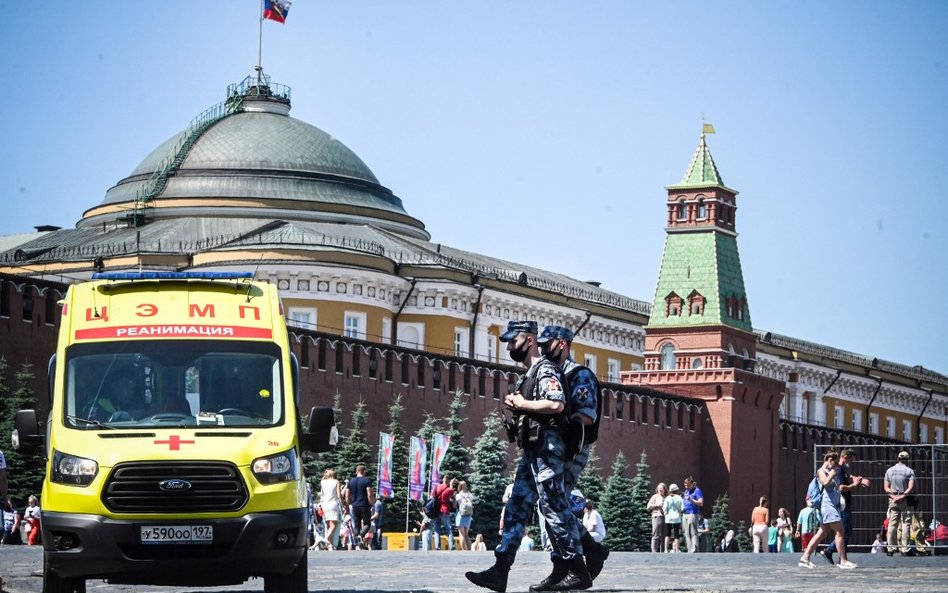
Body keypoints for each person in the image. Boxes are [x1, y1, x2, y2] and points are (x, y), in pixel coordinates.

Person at [466, 320, 590, 593]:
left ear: (530, 340)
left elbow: (556, 404)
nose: (510, 346)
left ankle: (578, 568)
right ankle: (500, 570)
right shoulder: (530, 373)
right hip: (534, 450)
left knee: (553, 507)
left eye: (514, 340)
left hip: (547, 450)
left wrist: (522, 404)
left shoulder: (545, 369)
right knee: (516, 506)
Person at [536, 324, 609, 584]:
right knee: (552, 505)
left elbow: (586, 416)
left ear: (562, 344)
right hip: (552, 449)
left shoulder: (579, 374)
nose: (542, 349)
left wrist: (557, 423)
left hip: (570, 450)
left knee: (553, 504)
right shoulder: (550, 373)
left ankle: (577, 559)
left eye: (546, 345)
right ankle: (583, 554)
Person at [799, 449, 856, 569]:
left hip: (831, 506)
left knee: (822, 533)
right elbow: (825, 482)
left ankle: (805, 557)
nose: (836, 466)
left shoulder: (830, 471)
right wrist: (832, 474)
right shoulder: (821, 471)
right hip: (828, 506)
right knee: (840, 531)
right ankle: (843, 561)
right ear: (830, 461)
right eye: (835, 463)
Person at [823, 448, 869, 564]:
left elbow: (849, 475)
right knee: (844, 532)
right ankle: (836, 555)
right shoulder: (838, 470)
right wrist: (854, 485)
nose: (851, 462)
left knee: (846, 532)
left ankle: (838, 556)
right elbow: (840, 488)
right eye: (851, 460)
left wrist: (859, 480)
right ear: (845, 457)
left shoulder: (844, 469)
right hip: (842, 505)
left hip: (845, 505)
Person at [884, 450, 916, 556]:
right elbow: (911, 488)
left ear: (898, 459)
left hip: (893, 499)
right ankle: (905, 548)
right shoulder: (909, 471)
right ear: (907, 460)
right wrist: (902, 496)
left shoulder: (889, 471)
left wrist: (894, 497)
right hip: (905, 499)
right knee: (906, 523)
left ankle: (890, 548)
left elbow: (886, 488)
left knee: (892, 523)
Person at [346, 464, 375, 549]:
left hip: (355, 505)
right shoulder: (367, 481)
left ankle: (358, 543)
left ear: (356, 471)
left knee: (357, 525)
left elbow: (347, 495)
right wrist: (372, 503)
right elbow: (369, 494)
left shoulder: (351, 481)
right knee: (367, 523)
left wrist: (349, 503)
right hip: (364, 505)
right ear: (364, 471)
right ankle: (361, 536)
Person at [430, 474, 455, 551]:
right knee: (449, 529)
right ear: (449, 481)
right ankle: (452, 546)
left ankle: (437, 546)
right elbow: (451, 492)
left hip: (436, 511)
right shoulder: (448, 489)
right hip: (445, 511)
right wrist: (451, 484)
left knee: (437, 529)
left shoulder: (436, 487)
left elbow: (431, 496)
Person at [320, 469, 343, 549]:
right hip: (333, 504)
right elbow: (339, 495)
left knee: (328, 525)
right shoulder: (336, 482)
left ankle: (329, 545)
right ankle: (326, 539)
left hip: (324, 504)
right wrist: (342, 505)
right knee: (333, 525)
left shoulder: (323, 482)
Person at [681, 476, 704, 553]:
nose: (686, 487)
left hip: (692, 513)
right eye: (685, 485)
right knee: (686, 532)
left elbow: (701, 503)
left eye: (688, 485)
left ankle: (695, 548)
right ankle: (689, 549)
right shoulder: (686, 491)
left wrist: (691, 500)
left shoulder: (697, 491)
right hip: (685, 514)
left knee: (693, 531)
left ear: (692, 484)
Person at [662, 484, 684, 553]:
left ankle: (665, 549)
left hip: (668, 518)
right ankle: (677, 549)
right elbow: (682, 508)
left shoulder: (667, 498)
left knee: (667, 534)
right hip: (677, 518)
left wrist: (666, 513)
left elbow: (664, 508)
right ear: (676, 490)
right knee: (676, 534)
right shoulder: (679, 498)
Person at [647, 483, 667, 553]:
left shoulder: (666, 497)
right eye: (659, 488)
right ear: (657, 489)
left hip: (665, 517)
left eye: (662, 488)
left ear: (665, 489)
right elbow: (648, 506)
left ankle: (663, 551)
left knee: (665, 535)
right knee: (656, 534)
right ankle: (654, 551)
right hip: (657, 516)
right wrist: (656, 505)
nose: (660, 489)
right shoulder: (655, 497)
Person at [456, 480, 475, 551]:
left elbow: (455, 505)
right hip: (468, 516)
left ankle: (464, 549)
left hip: (461, 515)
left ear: (459, 487)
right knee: (466, 534)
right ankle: (469, 549)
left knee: (461, 534)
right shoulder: (469, 495)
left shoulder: (458, 495)